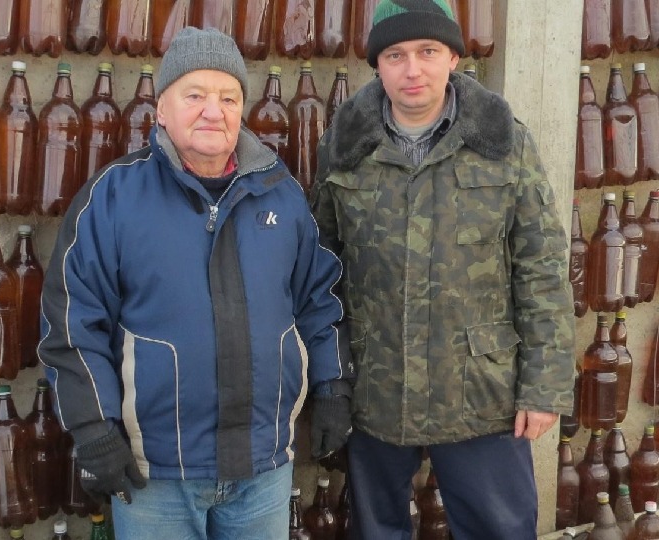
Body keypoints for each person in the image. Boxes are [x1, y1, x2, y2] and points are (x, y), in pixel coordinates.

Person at [38, 26, 354, 540]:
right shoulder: (114, 197)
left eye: (228, 97)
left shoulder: (280, 193)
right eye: (195, 95)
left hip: (263, 466)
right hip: (157, 475)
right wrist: (94, 430)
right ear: (161, 109)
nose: (214, 111)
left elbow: (319, 301)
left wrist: (333, 385)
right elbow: (73, 322)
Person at [310, 1, 575, 539]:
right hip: (377, 388)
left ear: (453, 57)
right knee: (376, 530)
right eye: (395, 55)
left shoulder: (504, 143)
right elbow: (321, 274)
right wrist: (330, 381)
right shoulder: (344, 149)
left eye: (427, 51)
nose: (413, 70)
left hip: (481, 389)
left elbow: (542, 266)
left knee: (499, 529)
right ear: (377, 65)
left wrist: (544, 385)